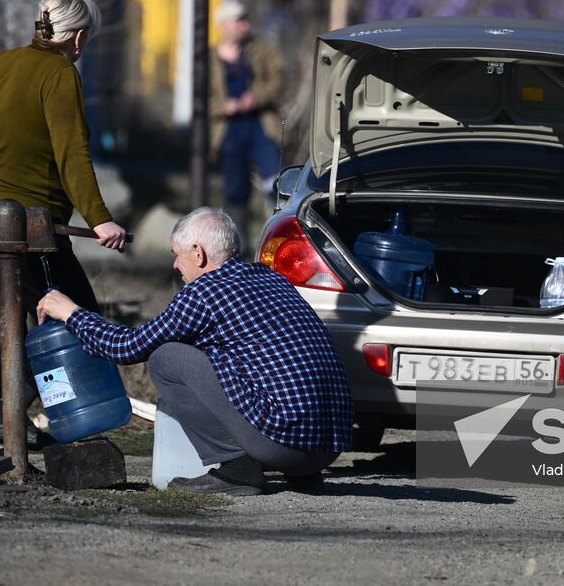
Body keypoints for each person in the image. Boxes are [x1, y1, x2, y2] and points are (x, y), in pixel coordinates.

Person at [36, 207, 353, 495]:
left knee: (166, 358)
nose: (175, 264)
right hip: (327, 449)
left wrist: (71, 313)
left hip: (284, 446)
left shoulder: (203, 292)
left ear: (198, 253)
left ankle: (238, 471)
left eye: (176, 254)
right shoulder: (270, 278)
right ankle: (302, 474)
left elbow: (127, 347)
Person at [0, 0, 127, 451]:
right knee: (78, 317)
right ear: (75, 37)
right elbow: (73, 153)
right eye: (86, 37)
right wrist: (100, 219)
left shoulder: (6, 61)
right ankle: (3, 413)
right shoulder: (59, 74)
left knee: (1, 321)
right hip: (30, 228)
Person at [210, 0, 286, 239]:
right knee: (236, 190)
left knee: (276, 182)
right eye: (239, 20)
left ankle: (283, 237)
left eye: (246, 20)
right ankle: (237, 245)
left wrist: (257, 97)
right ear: (224, 25)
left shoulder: (260, 51)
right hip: (229, 129)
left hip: (260, 126)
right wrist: (224, 106)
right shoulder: (208, 59)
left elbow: (279, 78)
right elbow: (199, 98)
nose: (245, 25)